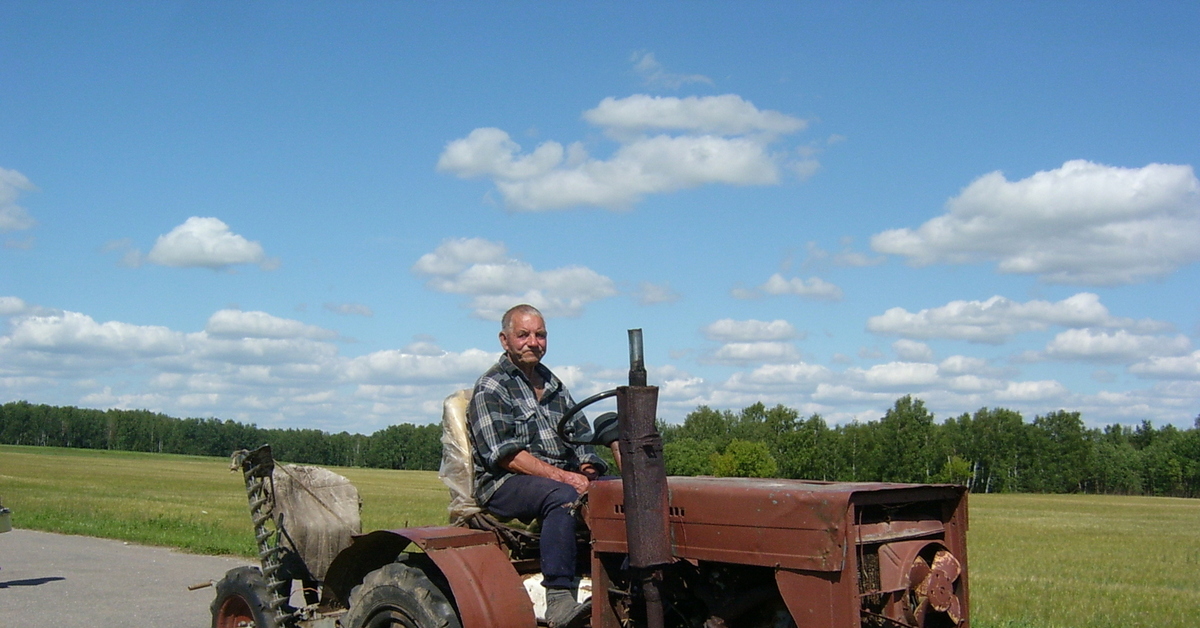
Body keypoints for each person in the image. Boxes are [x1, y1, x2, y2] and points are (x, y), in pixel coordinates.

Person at [467, 304, 606, 628]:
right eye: (523, 334)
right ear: (505, 340)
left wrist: (588, 469)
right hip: (504, 482)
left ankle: (630, 579)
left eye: (540, 334)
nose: (533, 341)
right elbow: (505, 455)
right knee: (560, 496)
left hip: (559, 477)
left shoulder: (554, 385)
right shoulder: (492, 386)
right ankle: (558, 595)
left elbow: (581, 435)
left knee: (619, 492)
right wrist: (566, 478)